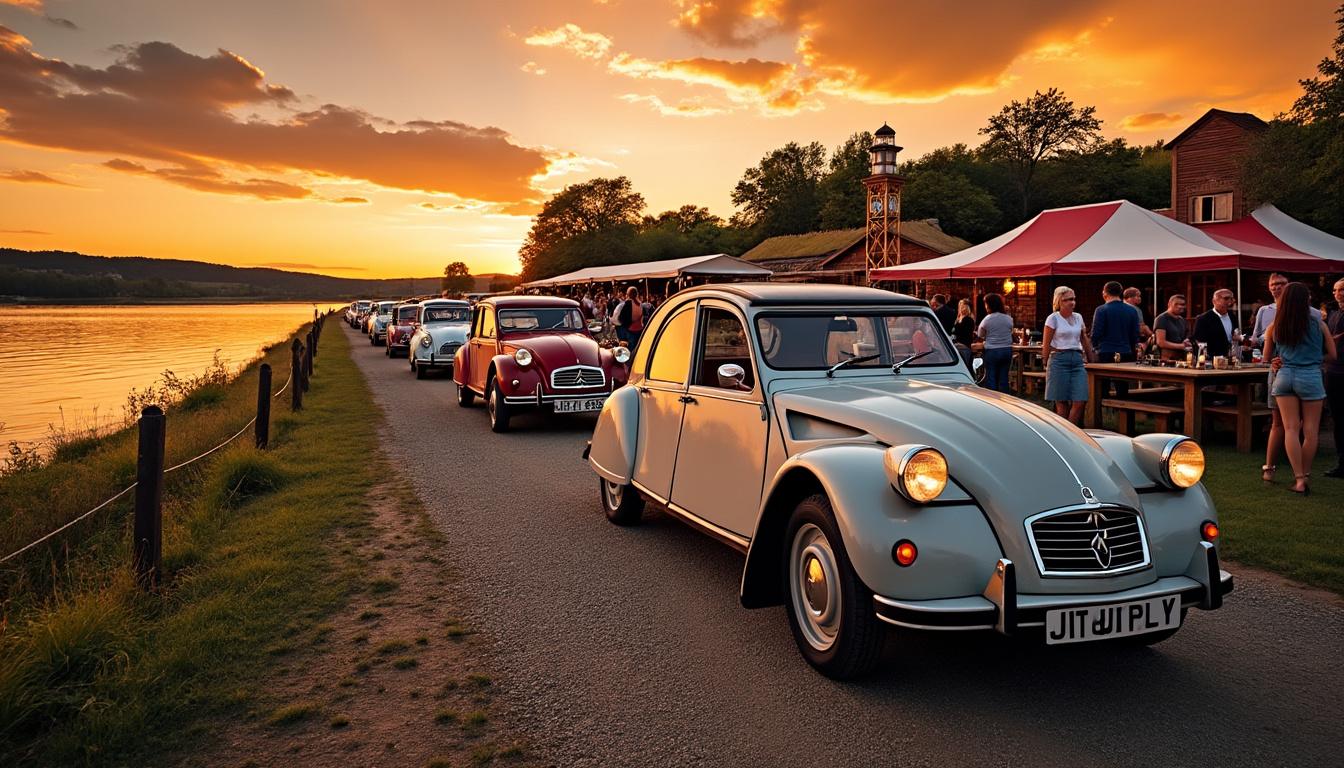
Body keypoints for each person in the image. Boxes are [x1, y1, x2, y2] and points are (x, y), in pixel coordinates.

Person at [1264, 282, 1337, 495]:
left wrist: (1278, 361)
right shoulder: (1319, 325)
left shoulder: (1275, 326)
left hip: (1284, 377)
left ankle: (1298, 478)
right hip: (1311, 376)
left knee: (1290, 429)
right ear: (1307, 300)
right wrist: (1315, 358)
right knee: (1311, 431)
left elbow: (1268, 357)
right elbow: (1333, 355)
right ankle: (1304, 475)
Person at [1253, 274, 1323, 483]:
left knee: (1290, 427)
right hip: (1300, 374)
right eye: (1273, 284)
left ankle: (1295, 475)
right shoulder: (1265, 312)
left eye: (1281, 285)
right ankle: (1292, 472)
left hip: (1283, 376)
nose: (1277, 288)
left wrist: (1275, 358)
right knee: (1288, 425)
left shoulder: (1315, 317)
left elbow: (1265, 354)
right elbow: (1261, 343)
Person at [1042, 286, 1095, 425]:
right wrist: (1045, 361)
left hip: (1077, 359)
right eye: (1068, 300)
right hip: (1059, 359)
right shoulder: (1053, 318)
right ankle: (1063, 432)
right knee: (1061, 401)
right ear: (1059, 301)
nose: (1072, 302)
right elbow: (1046, 342)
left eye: (1074, 299)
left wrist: (1091, 358)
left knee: (1080, 399)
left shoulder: (1078, 317)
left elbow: (1084, 338)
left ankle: (1071, 431)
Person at [1092, 281, 1140, 396]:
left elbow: (1096, 333)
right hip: (1126, 351)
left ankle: (1104, 410)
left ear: (1105, 293)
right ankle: (1122, 408)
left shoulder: (1101, 310)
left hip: (1105, 352)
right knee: (1122, 385)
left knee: (1103, 385)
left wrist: (1094, 347)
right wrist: (1133, 351)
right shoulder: (1132, 310)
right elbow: (1135, 335)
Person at [1324, 278, 1344, 479]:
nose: (1338, 293)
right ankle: (1342, 463)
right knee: (1338, 418)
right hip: (1333, 372)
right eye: (1335, 290)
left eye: (1342, 289)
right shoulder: (1333, 314)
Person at [976, 293, 1014, 393]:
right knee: (1004, 377)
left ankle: (993, 398)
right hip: (1007, 349)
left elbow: (980, 334)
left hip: (992, 350)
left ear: (989, 305)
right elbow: (1010, 330)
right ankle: (1006, 398)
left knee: (991, 376)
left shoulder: (987, 319)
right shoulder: (1008, 318)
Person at [1191, 288, 1240, 357]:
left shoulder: (1232, 317)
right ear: (1214, 301)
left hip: (1231, 357)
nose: (1230, 302)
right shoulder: (1203, 319)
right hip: (1212, 359)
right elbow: (1199, 341)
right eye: (1226, 298)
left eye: (1231, 299)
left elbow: (1234, 335)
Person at [1153, 294, 1193, 360]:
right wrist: (1181, 346)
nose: (1180, 306)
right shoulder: (1161, 319)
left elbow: (1186, 338)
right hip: (1166, 359)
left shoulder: (1182, 320)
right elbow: (1160, 342)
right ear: (1169, 304)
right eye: (1176, 304)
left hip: (1181, 358)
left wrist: (1187, 341)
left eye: (1182, 304)